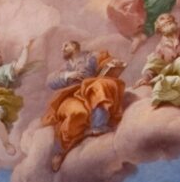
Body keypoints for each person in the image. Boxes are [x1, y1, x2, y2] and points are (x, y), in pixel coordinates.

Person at [40, 39, 126, 168]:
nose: (62, 49)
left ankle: (98, 126)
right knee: (77, 112)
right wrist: (68, 75)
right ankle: (63, 151)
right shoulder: (65, 67)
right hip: (71, 96)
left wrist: (113, 62)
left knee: (101, 86)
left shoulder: (90, 57)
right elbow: (50, 81)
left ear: (75, 46)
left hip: (89, 91)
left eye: (66, 45)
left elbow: (106, 60)